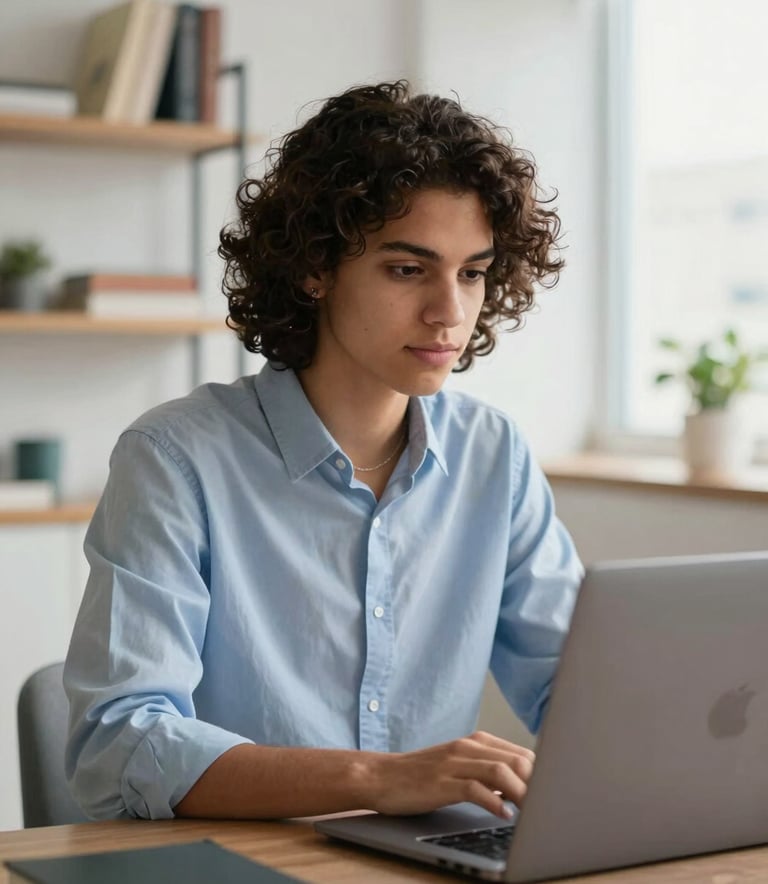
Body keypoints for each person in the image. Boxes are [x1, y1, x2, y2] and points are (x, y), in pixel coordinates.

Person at [63, 80, 583, 823]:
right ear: (314, 268)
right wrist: (376, 778)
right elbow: (120, 742)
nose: (450, 312)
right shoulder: (176, 458)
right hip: (235, 864)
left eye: (472, 272)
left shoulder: (493, 455)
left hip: (427, 864)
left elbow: (579, 685)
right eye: (408, 270)